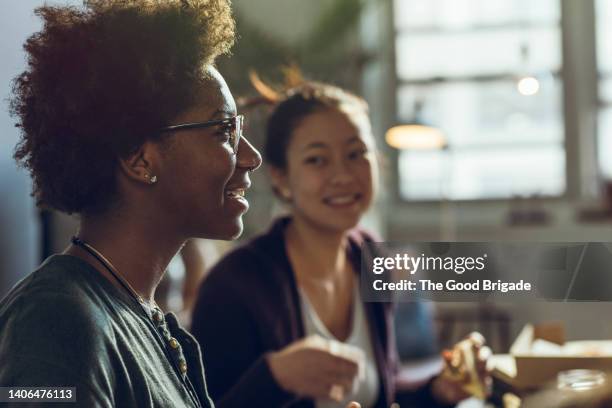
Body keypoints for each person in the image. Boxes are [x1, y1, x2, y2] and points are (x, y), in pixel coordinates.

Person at [0, 1, 262, 406]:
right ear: (139, 158)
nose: (249, 156)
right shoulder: (54, 323)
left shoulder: (147, 319)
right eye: (224, 130)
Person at [191, 81, 489, 408]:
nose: (343, 175)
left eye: (355, 153)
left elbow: (381, 392)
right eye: (317, 160)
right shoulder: (234, 285)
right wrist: (274, 378)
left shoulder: (371, 258)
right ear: (280, 177)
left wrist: (439, 391)